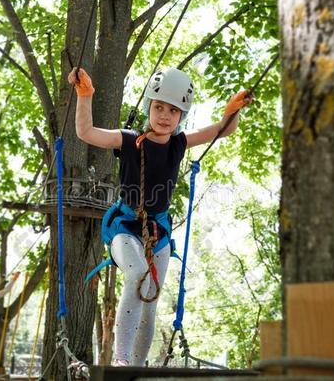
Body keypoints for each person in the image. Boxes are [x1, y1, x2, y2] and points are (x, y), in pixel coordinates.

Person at [68, 67, 252, 367]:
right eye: (159, 108)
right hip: (125, 228)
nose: (165, 115)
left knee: (151, 297)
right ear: (148, 108)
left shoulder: (179, 144)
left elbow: (223, 129)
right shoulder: (128, 140)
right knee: (139, 275)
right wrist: (85, 95)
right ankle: (122, 359)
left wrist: (232, 111)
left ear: (181, 116)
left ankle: (137, 367)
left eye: (173, 110)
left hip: (159, 231)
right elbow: (86, 133)